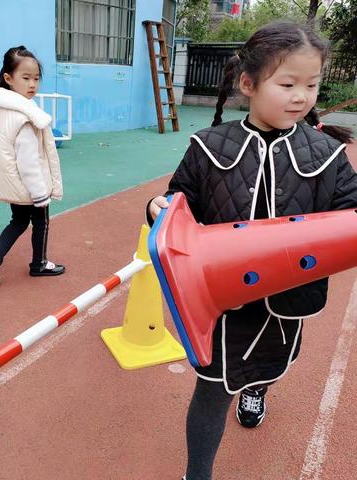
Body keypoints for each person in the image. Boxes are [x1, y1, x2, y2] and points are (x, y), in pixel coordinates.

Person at [147, 22, 357, 480]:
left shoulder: (325, 154)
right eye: (287, 84)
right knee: (210, 391)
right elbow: (177, 205)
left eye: (311, 85)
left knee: (267, 366)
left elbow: (350, 214)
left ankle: (256, 390)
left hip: (287, 301)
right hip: (222, 303)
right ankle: (197, 474)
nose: (301, 96)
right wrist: (155, 208)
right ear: (248, 84)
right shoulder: (209, 147)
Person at [0, 46, 64, 287]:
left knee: (17, 221)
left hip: (12, 182)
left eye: (36, 78)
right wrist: (40, 194)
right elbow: (29, 162)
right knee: (41, 222)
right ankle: (39, 263)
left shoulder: (3, 109)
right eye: (25, 78)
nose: (32, 84)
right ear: (8, 78)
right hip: (29, 185)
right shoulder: (26, 116)